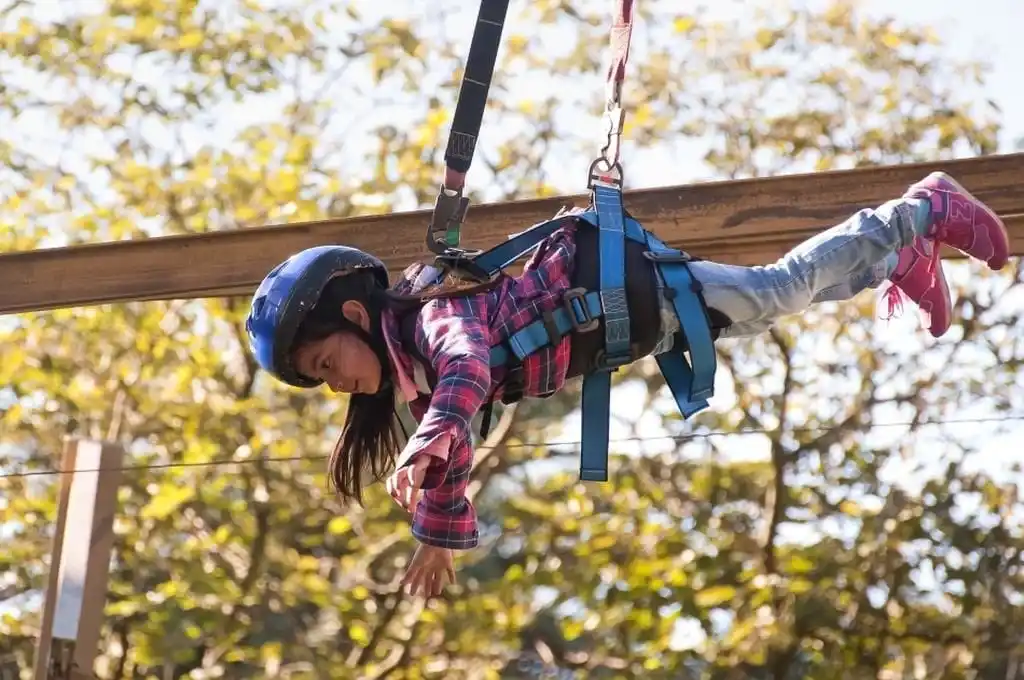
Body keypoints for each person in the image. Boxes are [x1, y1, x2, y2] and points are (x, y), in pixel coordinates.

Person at [245, 171, 1008, 597]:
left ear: (352, 313)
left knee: (778, 289)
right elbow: (455, 442)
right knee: (775, 304)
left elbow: (469, 369)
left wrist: (431, 432)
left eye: (325, 364)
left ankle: (918, 210)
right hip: (632, 321)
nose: (338, 385)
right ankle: (897, 258)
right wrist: (435, 538)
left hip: (631, 294)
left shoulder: (428, 317)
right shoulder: (415, 379)